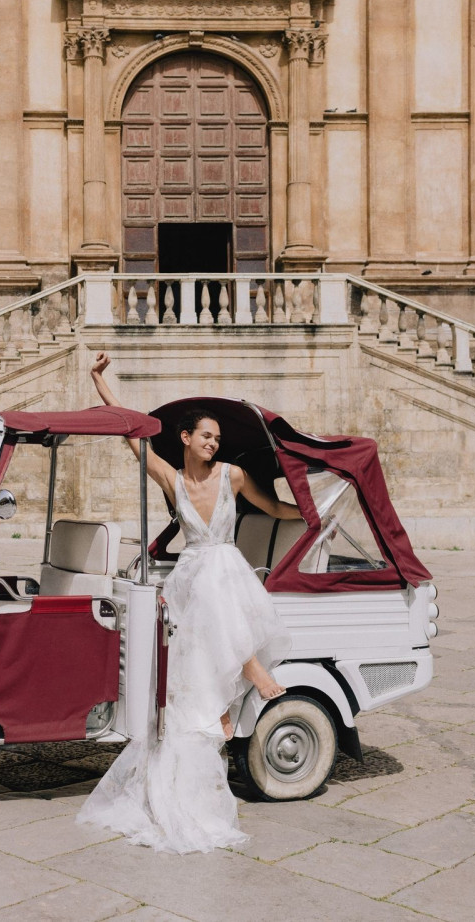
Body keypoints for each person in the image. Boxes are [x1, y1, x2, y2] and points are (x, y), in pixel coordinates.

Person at [77, 352, 303, 853]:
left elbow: (273, 508)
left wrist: (312, 513)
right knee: (204, 592)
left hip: (226, 568)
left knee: (214, 592)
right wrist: (100, 380)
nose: (213, 442)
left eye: (217, 438)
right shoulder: (171, 479)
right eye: (206, 436)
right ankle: (240, 684)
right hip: (197, 570)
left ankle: (236, 687)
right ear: (185, 439)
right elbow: (132, 435)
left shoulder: (234, 476)